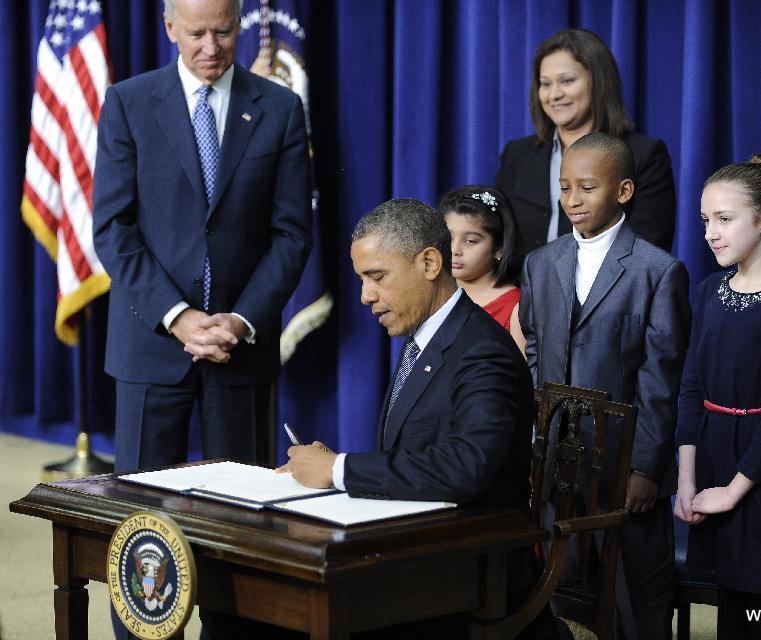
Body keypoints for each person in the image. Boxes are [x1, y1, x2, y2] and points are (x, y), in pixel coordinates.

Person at [280, 198, 558, 639]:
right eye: (361, 280)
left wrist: (338, 469)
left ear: (429, 262)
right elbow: (415, 456)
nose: (365, 296)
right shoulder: (426, 337)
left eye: (376, 277)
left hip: (471, 574)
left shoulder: (482, 350)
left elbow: (467, 465)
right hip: (417, 553)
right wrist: (333, 464)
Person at [93, 0, 311, 478]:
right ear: (170, 28)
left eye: (224, 32)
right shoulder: (129, 103)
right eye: (196, 34)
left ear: (238, 25)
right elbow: (113, 228)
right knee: (142, 512)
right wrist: (178, 316)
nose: (211, 48)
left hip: (241, 345)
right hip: (150, 343)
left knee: (242, 513)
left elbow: (291, 235)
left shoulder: (280, 108)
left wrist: (240, 319)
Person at [520, 131, 690, 640]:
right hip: (558, 460)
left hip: (622, 464)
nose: (572, 200)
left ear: (623, 190)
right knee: (558, 587)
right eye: (565, 187)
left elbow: (662, 381)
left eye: (587, 188)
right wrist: (536, 440)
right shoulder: (541, 262)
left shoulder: (658, 272)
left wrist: (646, 468)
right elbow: (535, 352)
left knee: (635, 595)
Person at [675, 156, 761, 639]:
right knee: (727, 610)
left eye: (724, 219)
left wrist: (734, 491)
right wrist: (688, 481)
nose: (711, 232)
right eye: (705, 221)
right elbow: (692, 388)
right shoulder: (708, 290)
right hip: (713, 456)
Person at [496, 28, 676, 255]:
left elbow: (650, 252)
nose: (554, 94)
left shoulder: (644, 155)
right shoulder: (516, 154)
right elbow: (497, 241)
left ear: (599, 82)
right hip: (524, 289)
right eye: (546, 83)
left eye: (567, 81)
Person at [437, 185, 526, 353]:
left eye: (470, 241)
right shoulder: (436, 296)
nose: (455, 250)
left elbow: (523, 377)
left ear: (500, 247)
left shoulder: (516, 308)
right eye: (448, 237)